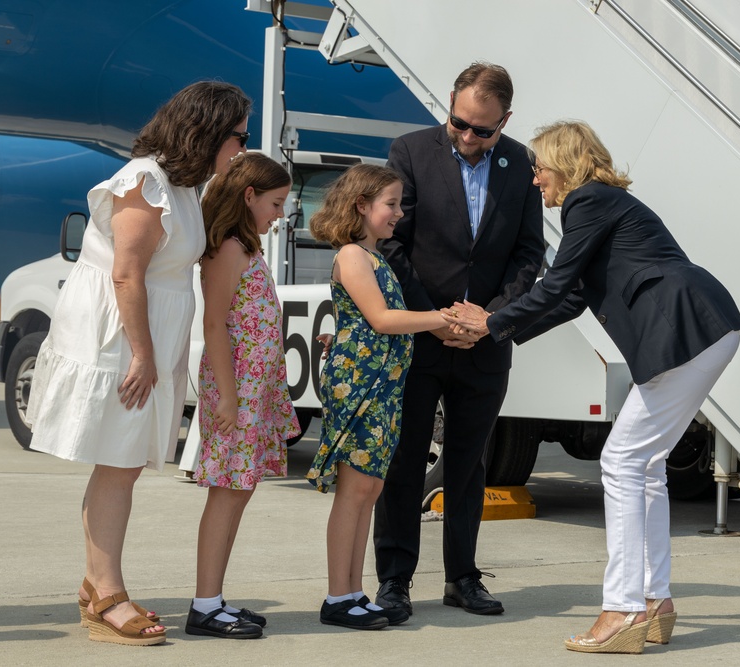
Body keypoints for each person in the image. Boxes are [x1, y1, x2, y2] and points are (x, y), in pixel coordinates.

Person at [443, 120, 740, 654]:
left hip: (686, 330)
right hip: (701, 329)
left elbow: (557, 283)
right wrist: (495, 330)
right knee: (644, 466)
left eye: (539, 168)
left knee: (622, 462)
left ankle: (622, 609)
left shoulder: (588, 201)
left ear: (565, 164)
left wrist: (488, 325)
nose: (536, 180)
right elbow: (570, 299)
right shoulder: (604, 205)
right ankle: (654, 603)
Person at [25, 81, 252, 646]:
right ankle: (104, 594)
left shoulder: (182, 186)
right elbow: (126, 274)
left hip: (148, 339)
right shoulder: (145, 182)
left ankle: (97, 585)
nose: (241, 150)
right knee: (118, 464)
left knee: (120, 464)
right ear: (206, 133)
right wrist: (145, 354)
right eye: (238, 138)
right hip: (122, 342)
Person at [372, 61, 544, 617]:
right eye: (460, 122)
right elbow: (394, 245)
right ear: (450, 104)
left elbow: (528, 252)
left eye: (483, 130)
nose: (468, 137)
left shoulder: (521, 163)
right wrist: (436, 318)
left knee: (469, 466)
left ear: (506, 121)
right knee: (404, 463)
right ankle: (395, 579)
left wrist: (488, 319)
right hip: (422, 336)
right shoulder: (412, 150)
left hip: (486, 342)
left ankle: (462, 578)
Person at [305, 164, 449, 630]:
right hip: (361, 387)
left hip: (382, 386)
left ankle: (352, 591)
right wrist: (441, 319)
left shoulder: (374, 257)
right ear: (361, 206)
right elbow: (382, 319)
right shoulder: (352, 255)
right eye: (391, 204)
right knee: (353, 492)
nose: (398, 214)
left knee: (368, 490)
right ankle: (337, 596)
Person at [184, 152, 300, 639]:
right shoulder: (229, 247)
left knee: (239, 490)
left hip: (255, 387)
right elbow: (214, 323)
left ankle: (214, 598)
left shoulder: (246, 245)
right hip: (238, 388)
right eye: (275, 204)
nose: (279, 215)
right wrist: (228, 398)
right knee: (227, 493)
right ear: (249, 196)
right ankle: (204, 604)